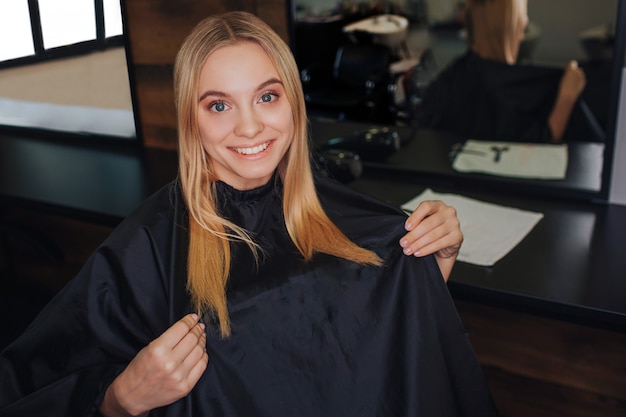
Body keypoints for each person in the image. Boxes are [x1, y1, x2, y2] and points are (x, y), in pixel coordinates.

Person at [0, 11, 497, 417]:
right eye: (219, 106)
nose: (251, 126)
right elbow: (28, 388)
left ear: (292, 103)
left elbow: (387, 360)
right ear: (190, 120)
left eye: (266, 96)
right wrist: (117, 401)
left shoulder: (348, 216)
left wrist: (434, 261)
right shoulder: (148, 248)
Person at [416, 0, 600, 143]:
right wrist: (566, 99)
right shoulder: (497, 91)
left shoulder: (452, 77)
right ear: (510, 30)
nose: (521, 36)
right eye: (521, 26)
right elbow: (538, 148)